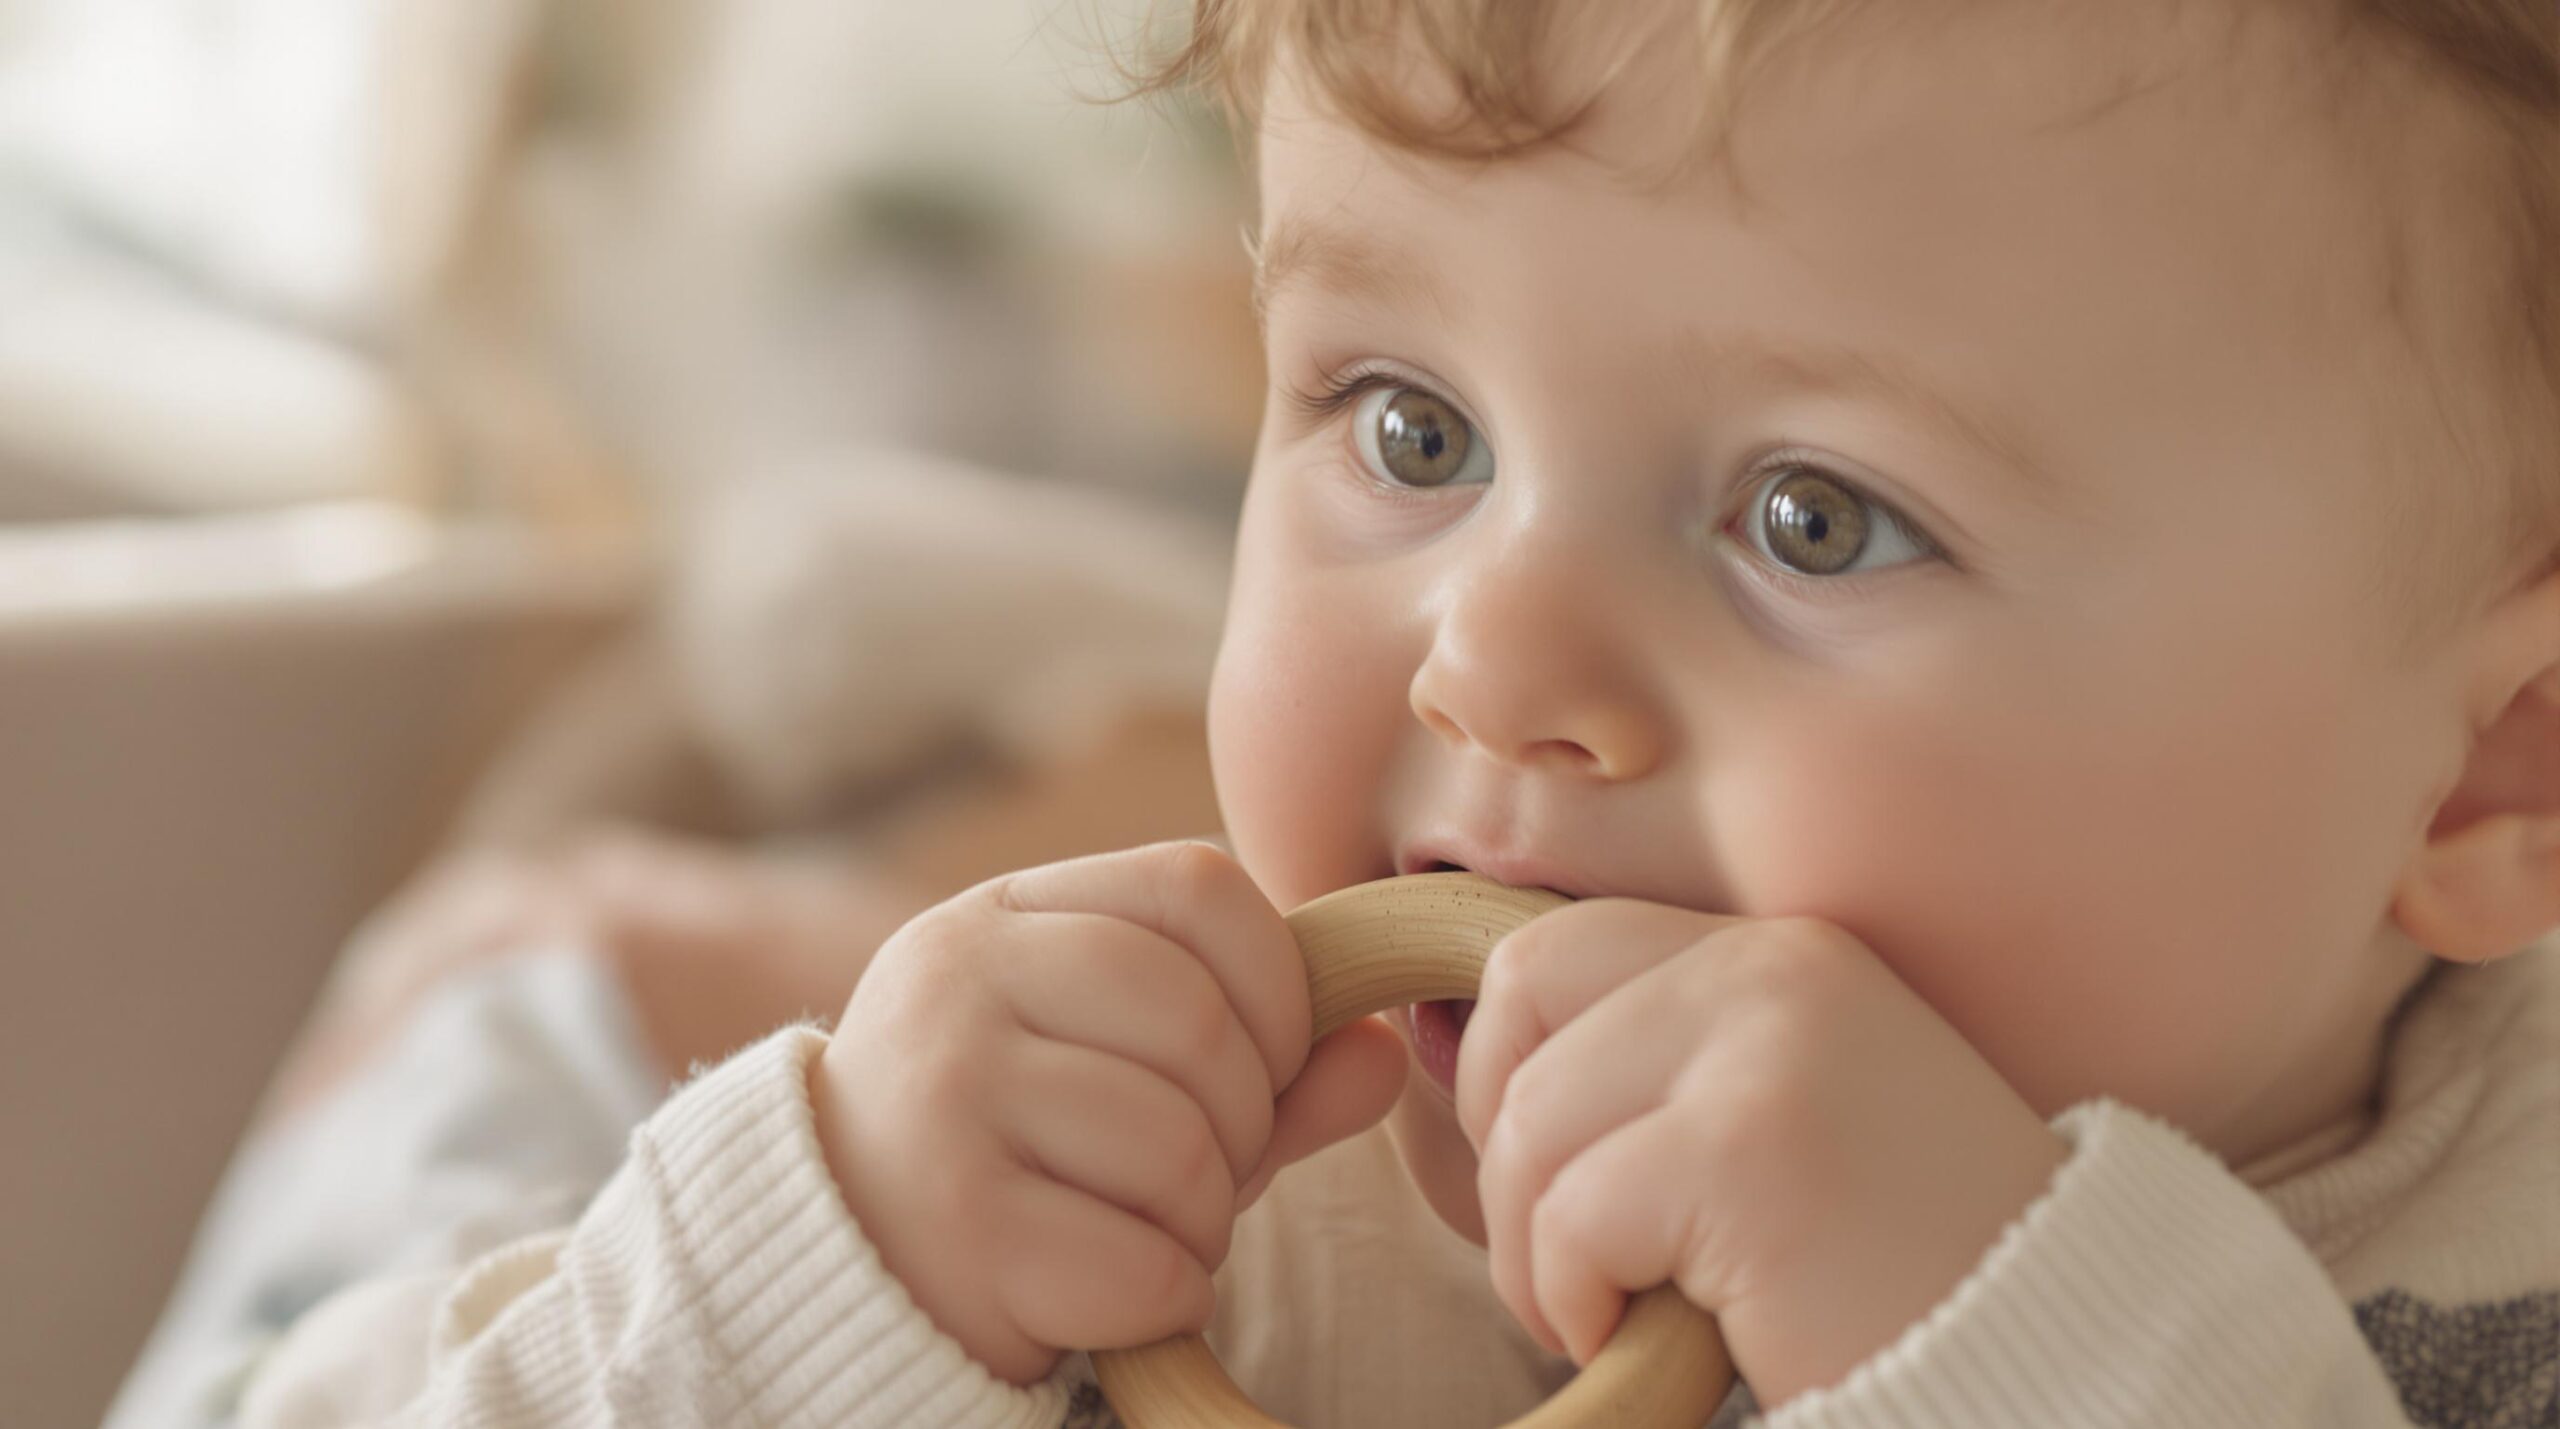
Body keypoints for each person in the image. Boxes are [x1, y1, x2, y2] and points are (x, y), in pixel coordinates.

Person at [235, 0, 2560, 1424]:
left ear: (2485, 768)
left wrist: (2009, 1349)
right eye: (1407, 427)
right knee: (497, 1046)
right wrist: (815, 1272)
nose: (1485, 660)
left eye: (1817, 518)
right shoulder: (1209, 1205)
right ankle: (614, 967)